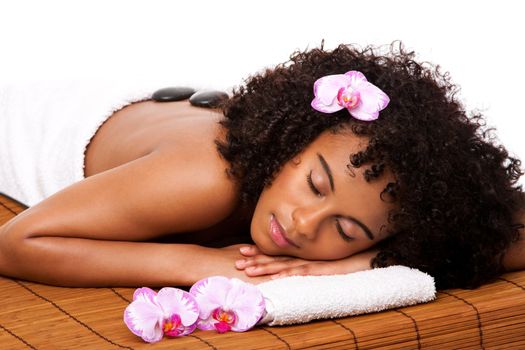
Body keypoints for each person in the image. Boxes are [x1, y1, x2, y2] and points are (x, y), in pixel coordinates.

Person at [0, 41, 523, 290]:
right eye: (315, 184)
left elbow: (505, 230)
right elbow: (17, 243)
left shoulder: (350, 208)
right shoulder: (206, 180)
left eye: (345, 228)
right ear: (292, 138)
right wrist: (203, 264)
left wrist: (364, 264)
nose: (301, 223)